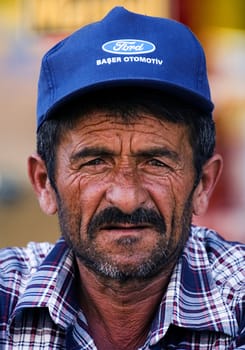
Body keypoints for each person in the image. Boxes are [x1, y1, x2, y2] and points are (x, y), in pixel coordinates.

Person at [0, 6, 244, 349]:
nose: (127, 197)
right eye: (96, 162)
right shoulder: (5, 296)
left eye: (156, 162)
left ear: (203, 183)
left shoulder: (239, 301)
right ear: (44, 182)